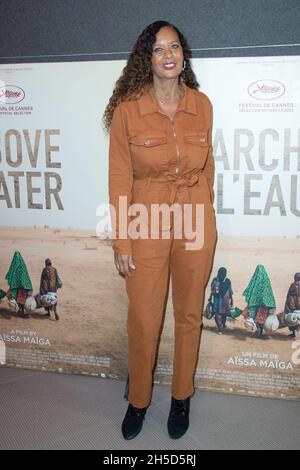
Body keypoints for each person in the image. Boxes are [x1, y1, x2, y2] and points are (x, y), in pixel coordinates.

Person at [103, 21, 217, 440]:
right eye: (158, 49)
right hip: (146, 218)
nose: (168, 54)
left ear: (183, 54)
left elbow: (208, 168)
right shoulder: (128, 110)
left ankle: (182, 397)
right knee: (144, 319)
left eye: (174, 46)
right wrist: (122, 237)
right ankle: (139, 400)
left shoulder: (202, 105)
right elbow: (119, 179)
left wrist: (208, 217)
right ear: (146, 60)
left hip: (195, 220)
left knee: (189, 315)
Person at [242, 265, 276, 338]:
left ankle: (257, 331)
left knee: (256, 318)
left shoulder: (254, 281)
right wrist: (269, 303)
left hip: (255, 304)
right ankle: (259, 333)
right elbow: (269, 293)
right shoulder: (266, 280)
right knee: (261, 319)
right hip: (263, 305)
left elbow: (250, 291)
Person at [5, 251, 33, 318]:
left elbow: (11, 275)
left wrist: (14, 284)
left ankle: (20, 311)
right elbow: (26, 276)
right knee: (22, 299)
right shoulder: (22, 265)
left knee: (18, 299)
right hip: (23, 287)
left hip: (16, 287)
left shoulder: (14, 267)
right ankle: (22, 312)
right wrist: (28, 286)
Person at [209, 267, 233, 334]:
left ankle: (220, 329)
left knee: (217, 313)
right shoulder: (227, 281)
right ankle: (223, 324)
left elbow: (212, 290)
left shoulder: (215, 280)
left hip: (217, 300)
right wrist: (232, 300)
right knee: (224, 313)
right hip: (225, 300)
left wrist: (210, 298)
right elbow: (230, 291)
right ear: (225, 273)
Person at [284, 273, 300, 338]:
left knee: (291, 318)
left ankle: (293, 333)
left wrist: (290, 306)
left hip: (293, 305)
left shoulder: (293, 285)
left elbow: (290, 297)